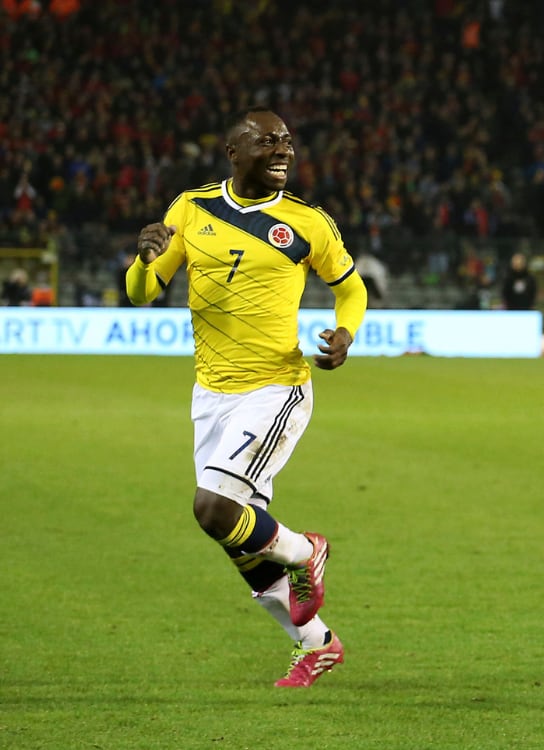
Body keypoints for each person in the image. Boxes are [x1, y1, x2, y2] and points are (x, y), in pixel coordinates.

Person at [126, 106, 368, 688]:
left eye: (286, 140)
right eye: (267, 141)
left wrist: (345, 334)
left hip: (275, 388)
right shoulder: (191, 208)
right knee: (238, 541)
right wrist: (143, 260)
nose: (282, 149)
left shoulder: (308, 222)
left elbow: (351, 288)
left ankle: (306, 551)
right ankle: (318, 645)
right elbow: (142, 293)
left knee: (212, 508)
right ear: (234, 152)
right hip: (211, 394)